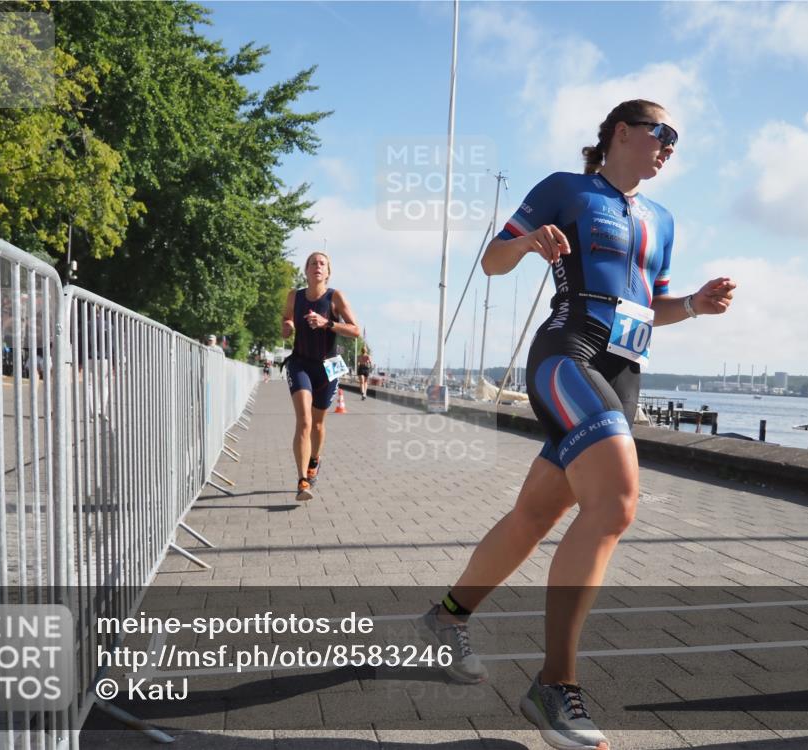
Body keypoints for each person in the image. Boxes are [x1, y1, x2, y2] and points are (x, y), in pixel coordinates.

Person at [418, 100, 736, 750]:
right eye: (662, 133)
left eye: (675, 139)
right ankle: (554, 683)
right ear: (622, 132)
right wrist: (527, 243)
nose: (669, 147)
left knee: (534, 516)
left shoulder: (663, 219)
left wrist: (694, 306)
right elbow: (492, 261)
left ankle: (447, 617)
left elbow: (652, 304)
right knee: (615, 504)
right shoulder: (568, 189)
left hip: (624, 372)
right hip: (569, 353)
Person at [281, 251, 360, 502]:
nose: (317, 266)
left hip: (329, 366)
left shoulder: (335, 297)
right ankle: (302, 480)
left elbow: (355, 330)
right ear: (306, 270)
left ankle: (315, 461)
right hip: (300, 363)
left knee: (317, 424)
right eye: (313, 263)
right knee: (304, 421)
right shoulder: (294, 296)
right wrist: (287, 326)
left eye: (322, 263)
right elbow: (286, 319)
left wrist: (328, 323)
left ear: (328, 272)